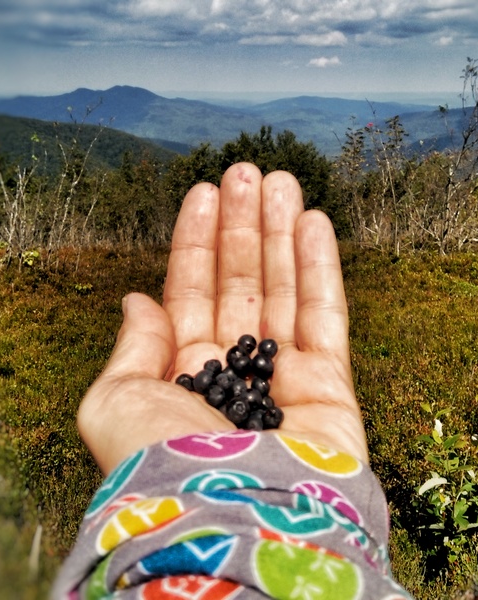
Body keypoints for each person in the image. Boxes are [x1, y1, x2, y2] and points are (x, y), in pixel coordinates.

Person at [52, 163, 412, 599]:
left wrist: (167, 485)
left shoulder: (238, 382)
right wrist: (324, 507)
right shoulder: (238, 386)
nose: (241, 389)